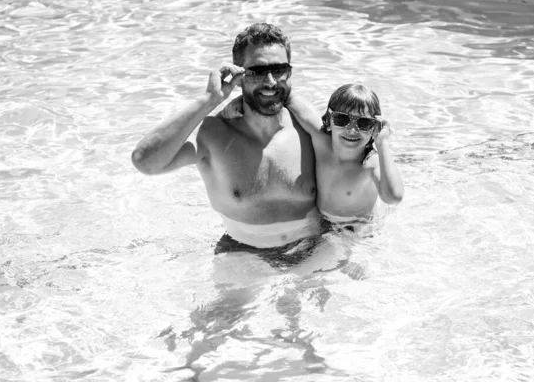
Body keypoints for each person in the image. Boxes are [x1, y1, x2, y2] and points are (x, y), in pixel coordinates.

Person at [131, 23, 322, 250]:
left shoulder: (308, 129)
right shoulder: (214, 134)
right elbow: (145, 162)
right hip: (242, 253)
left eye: (279, 69)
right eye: (257, 72)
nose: (270, 81)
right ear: (238, 76)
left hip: (310, 248)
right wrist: (210, 99)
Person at [224, 84, 404, 225]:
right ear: (329, 121)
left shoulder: (369, 163)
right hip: (322, 224)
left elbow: (393, 198)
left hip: (357, 229)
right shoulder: (321, 140)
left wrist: (383, 143)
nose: (352, 129)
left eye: (364, 123)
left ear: (374, 129)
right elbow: (286, 95)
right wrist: (245, 102)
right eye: (342, 119)